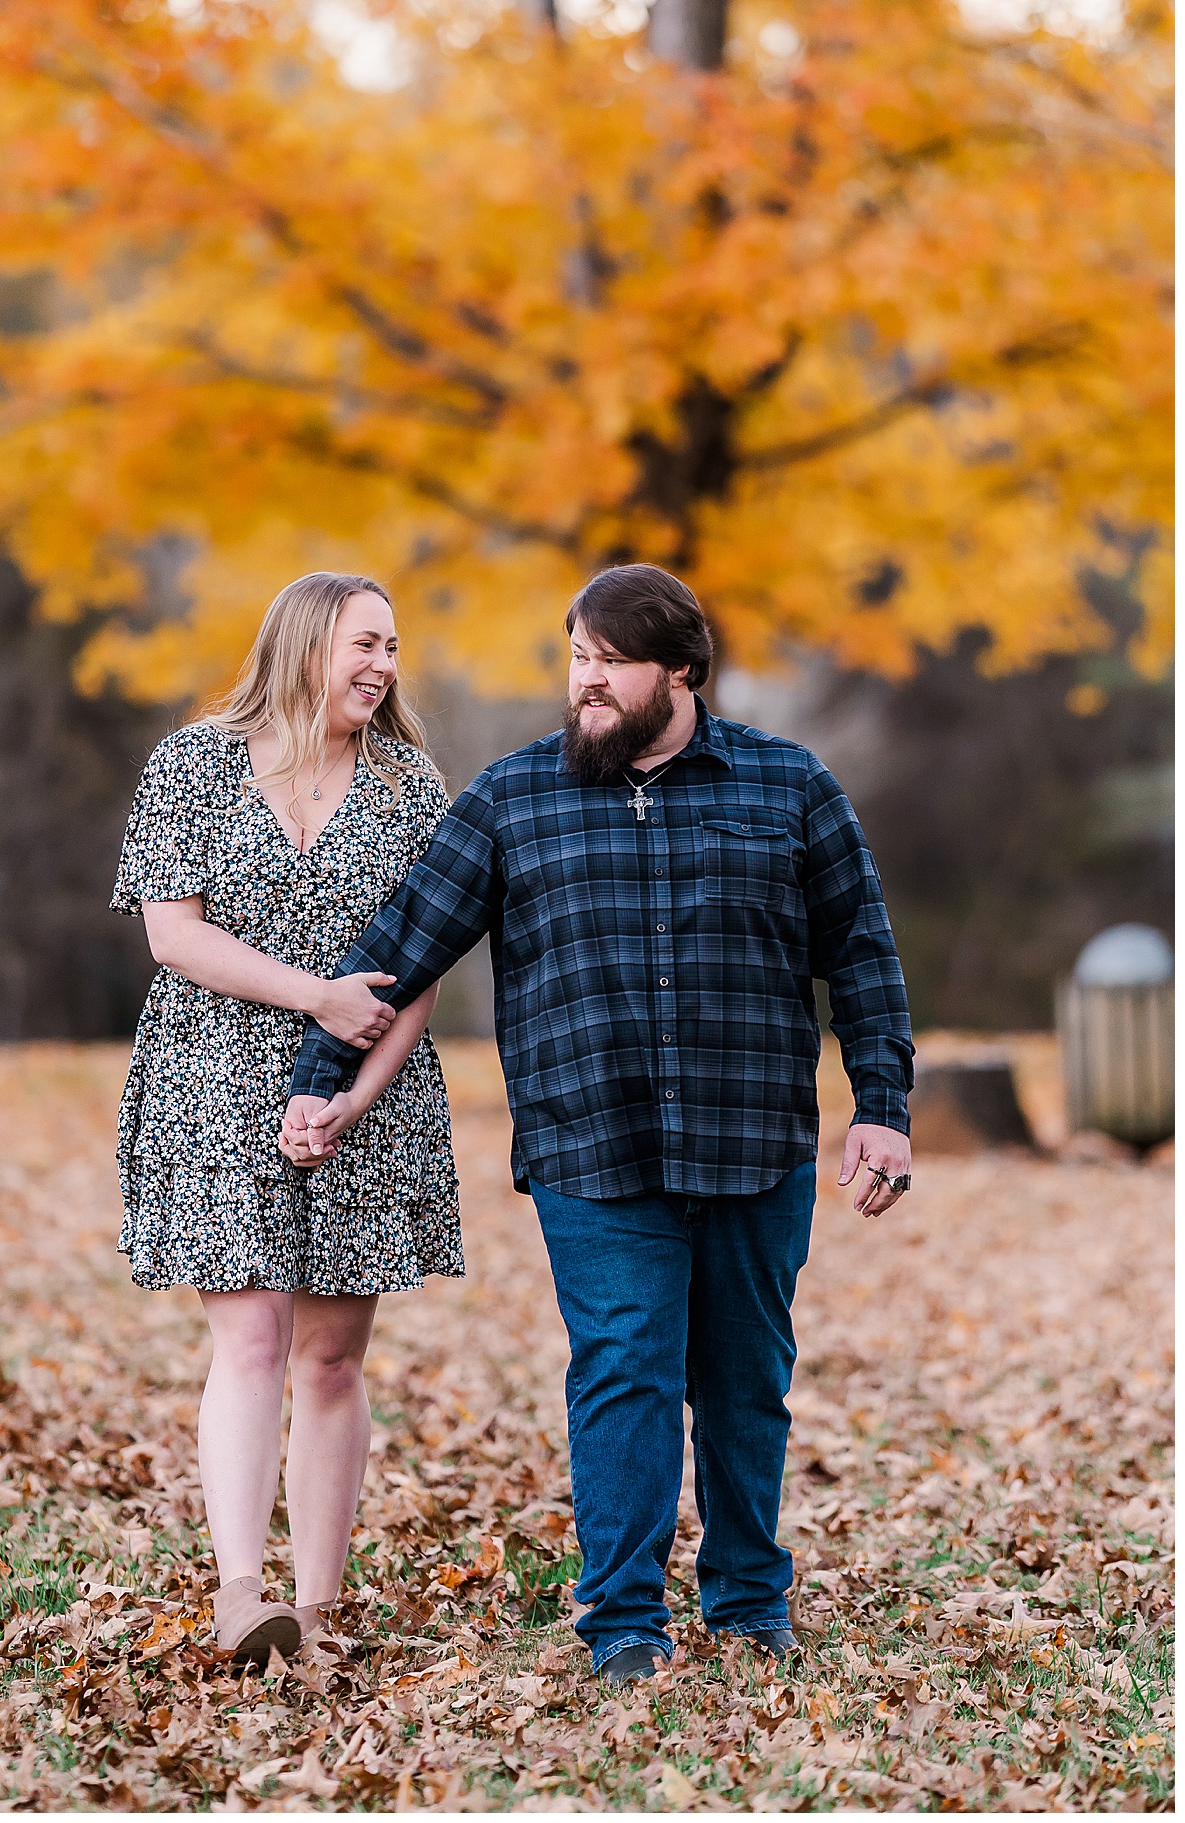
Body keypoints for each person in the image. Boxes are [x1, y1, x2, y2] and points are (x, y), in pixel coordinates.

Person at [282, 563, 914, 1683]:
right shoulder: (512, 798)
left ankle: (747, 1600)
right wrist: (320, 1069)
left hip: (751, 1135)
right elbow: (407, 935)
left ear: (678, 668)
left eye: (608, 661)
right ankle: (623, 1619)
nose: (585, 681)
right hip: (590, 1139)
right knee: (621, 1365)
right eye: (574, 657)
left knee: (741, 1373)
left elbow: (858, 955)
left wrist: (880, 1106)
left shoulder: (788, 787)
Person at [110, 572, 462, 1672]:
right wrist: (313, 994)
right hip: (213, 1075)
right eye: (365, 642)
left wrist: (353, 1095)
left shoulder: (409, 786)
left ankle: (312, 1607)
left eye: (394, 646)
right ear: (306, 642)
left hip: (366, 1085)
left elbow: (420, 971)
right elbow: (175, 937)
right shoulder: (193, 764)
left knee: (332, 1355)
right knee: (251, 1333)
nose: (383, 665)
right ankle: (239, 1593)